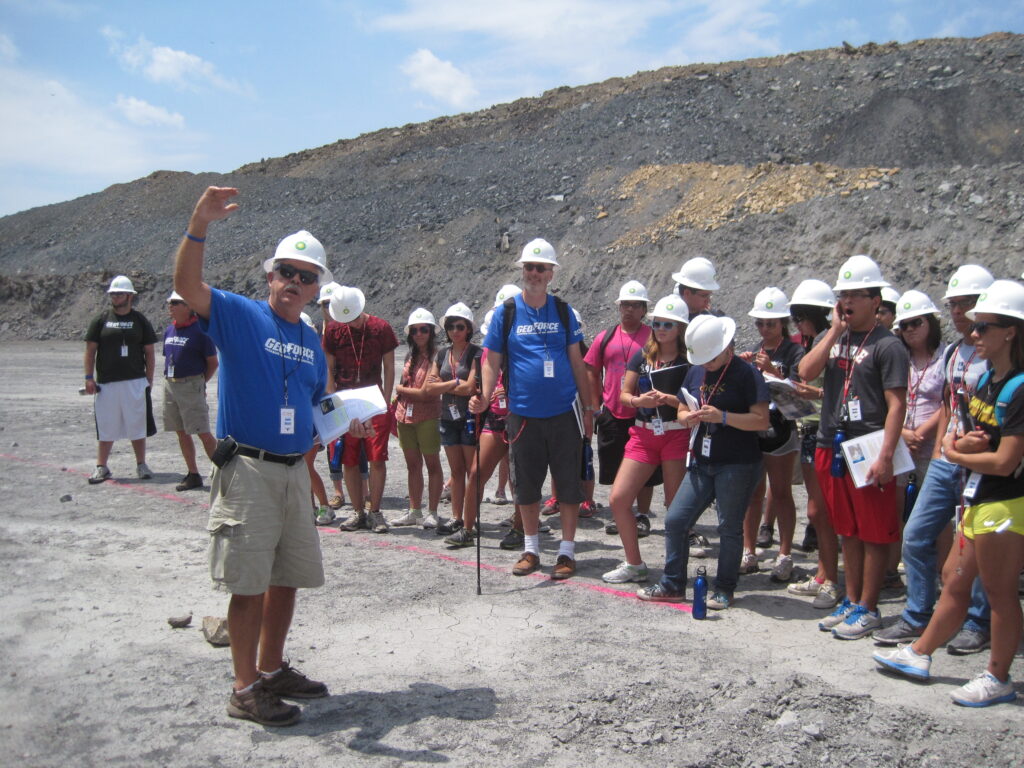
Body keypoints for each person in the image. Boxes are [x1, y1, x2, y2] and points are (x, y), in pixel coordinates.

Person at [175, 186, 356, 727]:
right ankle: (245, 687)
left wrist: (326, 426)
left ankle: (272, 668)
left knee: (287, 576)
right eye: (287, 272)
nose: (295, 284)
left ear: (317, 286)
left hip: (292, 469)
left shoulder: (308, 335)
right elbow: (185, 286)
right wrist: (198, 224)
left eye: (307, 276)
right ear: (270, 275)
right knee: (249, 582)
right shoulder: (238, 314)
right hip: (249, 468)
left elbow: (307, 400)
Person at [873, 279, 1024, 707]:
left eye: (984, 327)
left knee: (999, 593)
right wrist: (961, 449)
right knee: (954, 581)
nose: (973, 334)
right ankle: (920, 654)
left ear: (1010, 331)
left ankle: (998, 676)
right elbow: (963, 437)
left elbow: (1006, 461)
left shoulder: (1018, 387)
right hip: (981, 498)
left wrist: (959, 456)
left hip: (1006, 503)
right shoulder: (993, 380)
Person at [873, 264, 994, 651]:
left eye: (967, 304)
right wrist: (942, 449)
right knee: (916, 535)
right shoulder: (956, 353)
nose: (960, 312)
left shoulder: (1001, 353)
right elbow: (949, 402)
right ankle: (917, 614)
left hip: (986, 465)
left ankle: (977, 622)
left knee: (974, 546)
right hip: (948, 461)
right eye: (955, 305)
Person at [798, 254, 909, 640]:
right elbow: (805, 372)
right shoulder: (838, 338)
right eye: (842, 295)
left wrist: (885, 456)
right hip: (833, 440)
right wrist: (832, 332)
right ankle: (851, 598)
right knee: (847, 528)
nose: (846, 302)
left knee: (873, 530)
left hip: (867, 443)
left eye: (854, 295)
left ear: (875, 300)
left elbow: (898, 405)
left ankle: (870, 606)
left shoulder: (888, 345)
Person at [470, 238, 594, 579]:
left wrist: (589, 408)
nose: (534, 273)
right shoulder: (506, 313)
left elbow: (577, 362)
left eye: (541, 268)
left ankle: (566, 552)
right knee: (526, 485)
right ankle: (531, 549)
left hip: (564, 411)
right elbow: (491, 358)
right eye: (529, 267)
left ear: (551, 273)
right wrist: (484, 393)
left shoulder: (563, 311)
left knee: (568, 484)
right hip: (523, 413)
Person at [637, 314, 769, 608]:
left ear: (727, 349)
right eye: (704, 359)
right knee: (676, 520)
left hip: (738, 462)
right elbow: (682, 409)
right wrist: (689, 417)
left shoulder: (747, 374)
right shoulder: (696, 372)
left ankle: (724, 587)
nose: (706, 365)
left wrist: (722, 417)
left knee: (729, 527)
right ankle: (673, 583)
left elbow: (761, 420)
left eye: (711, 359)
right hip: (701, 459)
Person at [602, 295, 690, 583]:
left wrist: (671, 400)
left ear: (680, 327)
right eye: (656, 323)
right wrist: (640, 400)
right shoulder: (642, 355)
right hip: (642, 431)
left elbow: (697, 401)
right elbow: (623, 396)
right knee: (618, 498)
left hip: (675, 434)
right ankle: (634, 563)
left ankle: (675, 569)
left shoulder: (689, 361)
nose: (660, 328)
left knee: (674, 506)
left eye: (667, 324)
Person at [738, 287, 805, 581]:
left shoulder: (795, 351)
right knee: (753, 493)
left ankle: (784, 554)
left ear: (783, 323)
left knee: (780, 492)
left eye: (771, 323)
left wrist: (775, 373)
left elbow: (802, 393)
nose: (764, 329)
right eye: (760, 324)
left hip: (782, 428)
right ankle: (749, 550)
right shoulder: (758, 348)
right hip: (757, 428)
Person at [784, 279, 843, 609]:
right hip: (810, 429)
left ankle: (831, 578)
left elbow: (823, 384)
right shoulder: (818, 341)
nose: (797, 325)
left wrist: (811, 393)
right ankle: (824, 573)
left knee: (822, 509)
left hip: (823, 430)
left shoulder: (828, 341)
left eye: (800, 317)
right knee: (818, 509)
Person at [583, 280, 658, 537]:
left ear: (643, 309)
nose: (628, 309)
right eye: (625, 304)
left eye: (635, 305)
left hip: (644, 412)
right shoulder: (606, 337)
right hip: (613, 413)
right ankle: (622, 513)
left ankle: (643, 516)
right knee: (616, 466)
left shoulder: (653, 337)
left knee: (647, 467)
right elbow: (591, 370)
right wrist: (595, 406)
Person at [323, 285, 398, 534]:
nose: (351, 324)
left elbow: (389, 367)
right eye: (346, 320)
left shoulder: (380, 328)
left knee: (377, 457)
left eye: (354, 318)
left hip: (373, 400)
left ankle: (375, 511)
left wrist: (385, 403)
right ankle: (357, 512)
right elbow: (328, 368)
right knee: (349, 458)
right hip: (344, 401)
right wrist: (333, 401)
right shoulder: (333, 330)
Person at [888, 290, 946, 584]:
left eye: (916, 322)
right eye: (905, 325)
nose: (910, 329)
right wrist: (904, 433)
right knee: (896, 511)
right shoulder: (899, 357)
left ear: (931, 322)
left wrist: (920, 433)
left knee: (934, 515)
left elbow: (948, 402)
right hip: (901, 443)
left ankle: (939, 574)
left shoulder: (945, 357)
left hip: (931, 446)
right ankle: (892, 569)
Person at [84, 275, 157, 484]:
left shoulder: (140, 320)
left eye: (119, 293)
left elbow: (150, 352)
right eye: (113, 294)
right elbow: (90, 350)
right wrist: (89, 377)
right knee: (106, 424)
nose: (115, 297)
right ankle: (102, 466)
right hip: (106, 383)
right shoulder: (101, 320)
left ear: (130, 296)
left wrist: (149, 379)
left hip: (134, 381)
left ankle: (141, 464)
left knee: (137, 423)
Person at [390, 308, 449, 528]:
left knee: (432, 464)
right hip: (405, 416)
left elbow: (427, 392)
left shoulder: (438, 356)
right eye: (415, 330)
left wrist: (398, 389)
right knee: (412, 465)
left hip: (428, 416)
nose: (419, 333)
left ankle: (432, 511)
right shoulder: (409, 355)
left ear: (431, 331)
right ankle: (415, 510)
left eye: (423, 329)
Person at [430, 302, 481, 542]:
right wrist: (454, 385)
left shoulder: (477, 353)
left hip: (469, 419)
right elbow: (429, 386)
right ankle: (456, 517)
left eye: (459, 326)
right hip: (448, 419)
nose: (455, 331)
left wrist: (445, 385)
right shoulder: (442, 353)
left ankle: (472, 519)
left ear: (468, 328)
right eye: (451, 326)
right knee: (457, 471)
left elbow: (472, 387)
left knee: (473, 472)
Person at [162, 290, 218, 491]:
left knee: (202, 431)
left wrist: (200, 383)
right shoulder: (169, 330)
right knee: (181, 431)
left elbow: (212, 362)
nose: (171, 306)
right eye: (170, 303)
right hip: (171, 384)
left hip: (190, 384)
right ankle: (193, 473)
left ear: (188, 306)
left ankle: (223, 472)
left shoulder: (200, 332)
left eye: (176, 303)